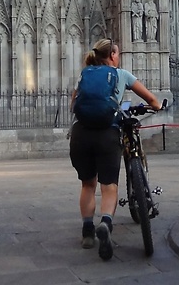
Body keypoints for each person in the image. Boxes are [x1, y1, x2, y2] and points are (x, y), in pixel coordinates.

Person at [69, 38, 161, 259]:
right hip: (107, 135)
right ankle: (106, 223)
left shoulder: (85, 74)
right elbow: (151, 99)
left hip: (81, 134)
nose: (118, 57)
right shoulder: (121, 74)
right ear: (112, 56)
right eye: (117, 53)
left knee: (88, 184)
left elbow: (74, 104)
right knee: (109, 185)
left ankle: (88, 231)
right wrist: (156, 106)